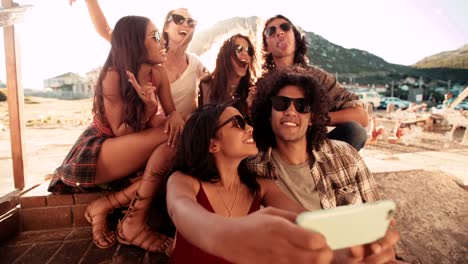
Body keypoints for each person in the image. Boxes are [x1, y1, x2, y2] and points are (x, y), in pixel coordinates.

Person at [48, 15, 184, 253]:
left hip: (131, 148)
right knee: (176, 136)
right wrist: (150, 110)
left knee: (174, 144)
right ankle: (131, 223)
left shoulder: (158, 74)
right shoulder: (112, 76)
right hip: (101, 150)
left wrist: (174, 115)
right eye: (155, 37)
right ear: (134, 44)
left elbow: (173, 116)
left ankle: (109, 209)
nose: (163, 41)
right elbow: (120, 132)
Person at [248, 65, 399, 262]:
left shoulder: (346, 155)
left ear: (312, 118)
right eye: (281, 103)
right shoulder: (254, 170)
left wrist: (380, 248)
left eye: (302, 106)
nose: (291, 111)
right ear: (269, 113)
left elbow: (380, 224)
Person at [165, 103, 332, 263]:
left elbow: (307, 221)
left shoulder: (262, 188)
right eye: (238, 124)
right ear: (212, 144)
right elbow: (181, 211)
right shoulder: (183, 180)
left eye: (246, 122)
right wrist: (231, 234)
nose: (250, 129)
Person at [73, 0, 208, 119]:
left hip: (186, 128)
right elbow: (106, 31)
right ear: (166, 27)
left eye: (191, 22)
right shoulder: (148, 56)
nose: (186, 24)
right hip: (155, 127)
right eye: (179, 19)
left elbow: (216, 81)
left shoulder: (195, 63)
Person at [259, 14, 369, 150]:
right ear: (267, 46)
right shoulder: (261, 84)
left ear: (295, 37)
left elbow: (362, 117)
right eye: (271, 31)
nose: (279, 32)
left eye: (285, 27)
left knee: (354, 131)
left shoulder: (317, 77)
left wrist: (317, 118)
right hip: (276, 150)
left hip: (313, 149)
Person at [198, 33, 257, 118]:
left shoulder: (251, 93)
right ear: (225, 55)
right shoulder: (206, 86)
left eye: (249, 51)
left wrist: (249, 107)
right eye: (238, 49)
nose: (245, 54)